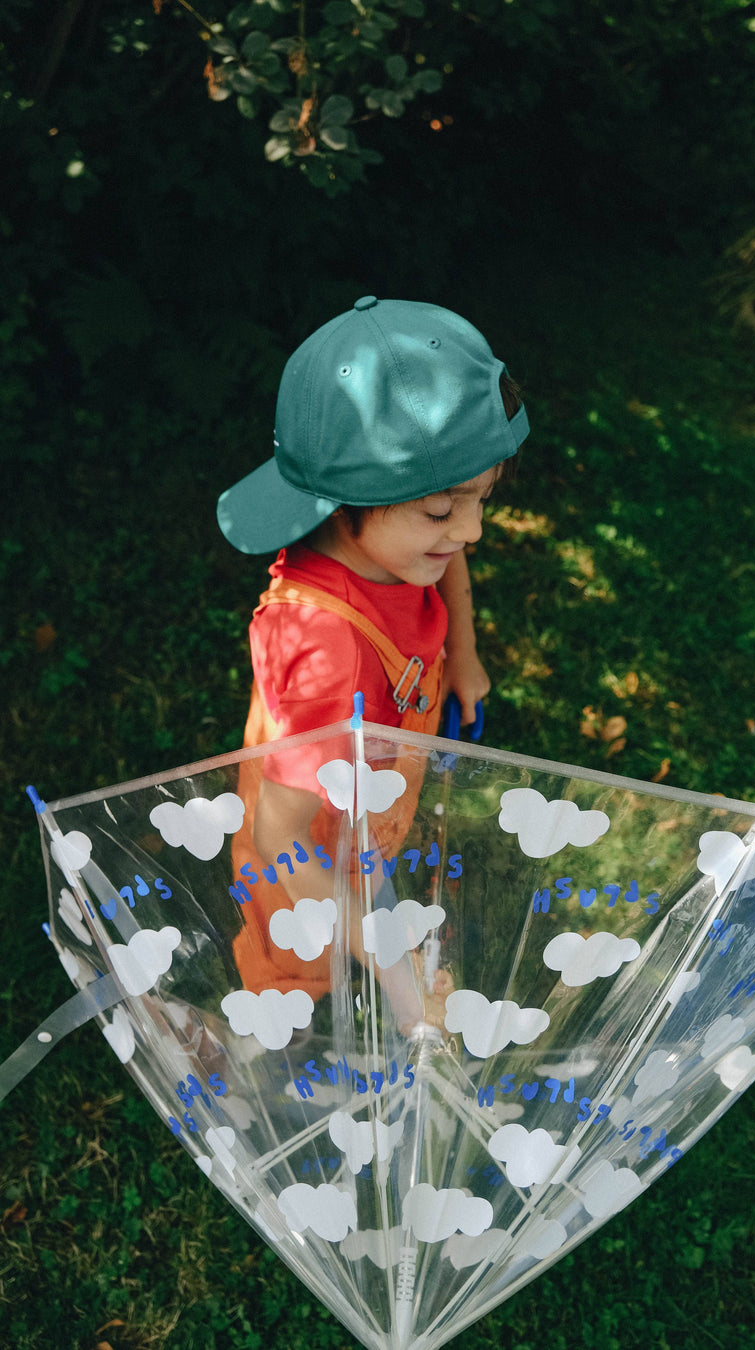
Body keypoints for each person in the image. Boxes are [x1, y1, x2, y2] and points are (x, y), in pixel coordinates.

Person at [216, 295, 529, 1028]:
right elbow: (282, 841)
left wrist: (463, 655)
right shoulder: (325, 648)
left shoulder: (408, 549)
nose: (472, 530)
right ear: (346, 501)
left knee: (363, 888)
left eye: (482, 499)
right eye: (445, 511)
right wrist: (394, 971)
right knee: (295, 962)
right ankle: (262, 1038)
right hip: (303, 855)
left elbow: (447, 565)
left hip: (366, 808)